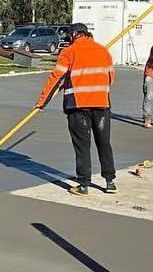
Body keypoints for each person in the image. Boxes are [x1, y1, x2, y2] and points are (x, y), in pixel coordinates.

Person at [36, 22, 117, 196]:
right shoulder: (103, 51)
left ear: (73, 35)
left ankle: (83, 185)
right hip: (102, 104)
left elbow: (56, 78)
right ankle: (110, 182)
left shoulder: (69, 52)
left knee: (82, 146)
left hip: (78, 106)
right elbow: (111, 77)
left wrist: (42, 102)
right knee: (104, 143)